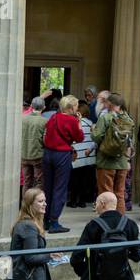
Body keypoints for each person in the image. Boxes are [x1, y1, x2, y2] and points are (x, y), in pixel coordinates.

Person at [71, 191, 140, 280]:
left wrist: (86, 271)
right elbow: (137, 256)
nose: (95, 206)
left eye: (96, 203)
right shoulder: (130, 224)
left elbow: (75, 258)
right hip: (122, 279)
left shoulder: (93, 225)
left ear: (102, 204)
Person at [40, 94, 82, 233]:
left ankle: (45, 219)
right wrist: (79, 123)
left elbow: (45, 134)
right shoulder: (71, 120)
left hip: (48, 154)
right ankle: (54, 222)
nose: (77, 108)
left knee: (48, 187)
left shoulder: (53, 117)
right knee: (60, 188)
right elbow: (79, 138)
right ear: (71, 107)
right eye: (76, 105)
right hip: (62, 155)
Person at [91, 92, 134, 214]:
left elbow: (96, 137)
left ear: (110, 103)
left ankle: (107, 222)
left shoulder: (105, 117)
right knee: (120, 193)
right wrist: (127, 160)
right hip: (122, 162)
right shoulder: (129, 119)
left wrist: (93, 130)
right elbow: (130, 142)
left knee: (106, 193)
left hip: (105, 161)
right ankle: (120, 220)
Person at [68, 100, 96, 208]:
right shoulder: (91, 124)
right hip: (88, 156)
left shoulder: (75, 123)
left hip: (77, 156)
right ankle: (82, 201)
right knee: (85, 180)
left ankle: (73, 201)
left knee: (75, 180)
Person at [20, 96, 47, 196]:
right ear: (44, 107)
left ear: (31, 106)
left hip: (24, 155)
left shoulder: (22, 119)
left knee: (27, 182)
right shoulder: (44, 121)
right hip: (38, 155)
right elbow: (45, 140)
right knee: (39, 182)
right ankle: (35, 206)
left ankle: (25, 206)